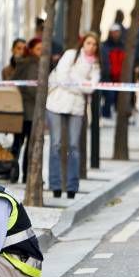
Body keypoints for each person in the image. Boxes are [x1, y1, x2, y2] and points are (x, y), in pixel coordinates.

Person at [45, 32, 101, 199]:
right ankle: (54, 185)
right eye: (89, 43)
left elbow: (92, 87)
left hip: (76, 107)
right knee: (55, 144)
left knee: (74, 147)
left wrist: (74, 81)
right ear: (83, 43)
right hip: (56, 103)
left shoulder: (96, 64)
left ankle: (72, 187)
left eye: (94, 44)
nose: (91, 46)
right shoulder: (70, 54)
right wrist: (79, 84)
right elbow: (62, 78)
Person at [10, 37, 42, 183]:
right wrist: (42, 99)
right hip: (30, 110)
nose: (41, 52)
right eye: (38, 49)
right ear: (32, 50)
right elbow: (31, 87)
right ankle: (25, 175)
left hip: (20, 109)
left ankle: (13, 172)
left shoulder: (24, 62)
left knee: (18, 142)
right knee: (29, 143)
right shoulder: (34, 64)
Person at [100, 23, 126, 120]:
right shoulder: (104, 46)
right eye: (113, 32)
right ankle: (106, 114)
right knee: (109, 96)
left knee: (119, 98)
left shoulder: (123, 46)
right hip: (108, 77)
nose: (115, 34)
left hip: (120, 77)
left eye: (117, 32)